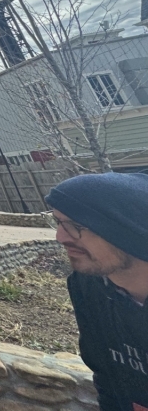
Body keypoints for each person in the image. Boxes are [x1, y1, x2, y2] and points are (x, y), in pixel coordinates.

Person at [46, 172, 148, 411]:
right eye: (57, 221)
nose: (60, 237)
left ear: (128, 233)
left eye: (75, 225)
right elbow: (108, 379)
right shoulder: (88, 287)